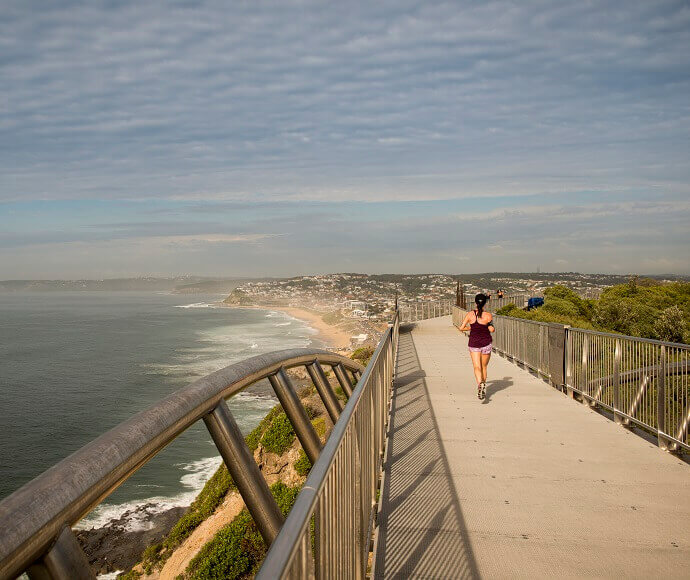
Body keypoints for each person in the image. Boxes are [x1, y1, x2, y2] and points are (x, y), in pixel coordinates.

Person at [458, 293, 495, 400]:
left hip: (474, 344)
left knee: (476, 367)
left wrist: (470, 329)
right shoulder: (488, 315)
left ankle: (480, 384)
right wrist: (488, 325)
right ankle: (483, 383)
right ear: (485, 303)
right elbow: (491, 329)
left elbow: (461, 328)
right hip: (486, 343)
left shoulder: (470, 314)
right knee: (484, 367)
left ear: (475, 302)